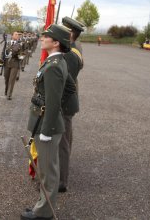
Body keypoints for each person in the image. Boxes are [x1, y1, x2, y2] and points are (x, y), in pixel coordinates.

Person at [21, 24, 70, 220]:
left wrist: (48, 128)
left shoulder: (54, 66)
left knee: (48, 172)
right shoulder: (55, 62)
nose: (42, 38)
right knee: (46, 169)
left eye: (46, 36)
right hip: (43, 120)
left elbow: (53, 100)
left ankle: (43, 213)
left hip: (46, 125)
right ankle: (42, 205)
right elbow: (69, 90)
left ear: (56, 42)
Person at [58, 17, 85, 193]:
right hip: (67, 102)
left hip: (64, 103)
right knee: (65, 139)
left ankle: (61, 181)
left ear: (69, 34)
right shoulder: (74, 48)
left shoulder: (70, 54)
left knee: (62, 143)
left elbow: (63, 83)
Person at [4, 31, 22, 100]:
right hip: (7, 63)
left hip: (15, 63)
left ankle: (9, 94)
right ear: (12, 35)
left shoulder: (20, 44)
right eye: (16, 34)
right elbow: (4, 52)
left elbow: (22, 54)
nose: (17, 35)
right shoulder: (7, 43)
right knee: (6, 78)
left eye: (18, 35)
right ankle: (6, 91)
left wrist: (19, 56)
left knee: (12, 80)